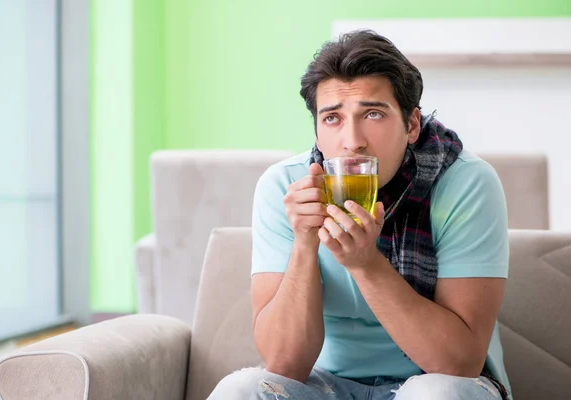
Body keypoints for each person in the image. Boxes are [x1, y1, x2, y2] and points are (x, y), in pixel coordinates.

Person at [208, 30, 512, 400]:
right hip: (325, 385)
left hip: (434, 381)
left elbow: (458, 364)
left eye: (372, 113)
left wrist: (365, 264)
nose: (353, 140)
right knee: (239, 390)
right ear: (318, 133)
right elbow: (285, 364)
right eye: (333, 118)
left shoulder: (465, 183)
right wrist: (305, 243)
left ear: (412, 124)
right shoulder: (284, 187)